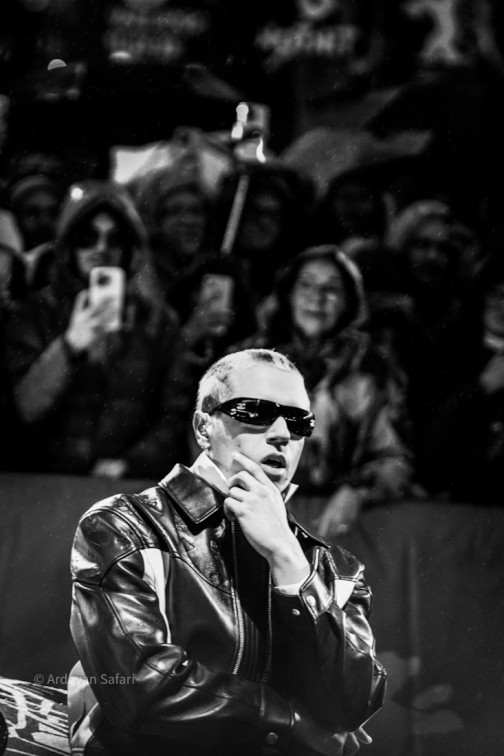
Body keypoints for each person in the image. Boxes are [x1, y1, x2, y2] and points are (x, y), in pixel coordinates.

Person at [68, 348, 386, 756]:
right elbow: (140, 689)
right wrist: (291, 724)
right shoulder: (124, 526)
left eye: (298, 421)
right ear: (203, 427)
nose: (282, 434)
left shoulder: (335, 569)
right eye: (256, 412)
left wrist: (288, 560)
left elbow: (354, 705)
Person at [3, 180, 183, 478]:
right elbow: (21, 412)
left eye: (115, 239)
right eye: (87, 237)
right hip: (45, 483)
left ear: (130, 248)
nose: (101, 249)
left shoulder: (159, 322)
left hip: (124, 485)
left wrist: (129, 465)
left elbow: (174, 415)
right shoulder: (35, 314)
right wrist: (68, 347)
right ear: (68, 246)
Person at [229, 246, 414, 534]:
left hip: (334, 527)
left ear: (349, 302)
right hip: (247, 518)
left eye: (332, 289)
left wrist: (357, 490)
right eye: (306, 285)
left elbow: (395, 459)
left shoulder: (371, 366)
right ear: (288, 294)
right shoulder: (245, 359)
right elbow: (209, 439)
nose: (317, 297)